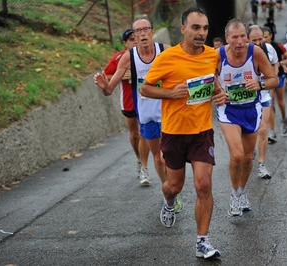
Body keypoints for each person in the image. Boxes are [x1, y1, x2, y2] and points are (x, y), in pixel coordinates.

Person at [140, 7, 227, 259]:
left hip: (201, 131)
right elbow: (146, 89)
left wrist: (220, 94)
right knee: (174, 186)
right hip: (174, 132)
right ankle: (168, 202)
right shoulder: (167, 58)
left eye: (205, 28)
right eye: (196, 28)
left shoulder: (212, 55)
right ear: (183, 29)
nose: (201, 33)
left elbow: (213, 82)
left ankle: (202, 242)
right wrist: (170, 93)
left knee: (204, 185)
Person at [94, 18, 184, 213]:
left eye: (146, 29)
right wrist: (104, 86)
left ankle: (174, 186)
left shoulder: (166, 51)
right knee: (158, 158)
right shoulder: (128, 58)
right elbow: (109, 90)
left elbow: (185, 70)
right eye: (138, 31)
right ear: (133, 36)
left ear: (152, 32)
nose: (143, 34)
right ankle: (168, 189)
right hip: (147, 116)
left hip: (169, 114)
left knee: (168, 155)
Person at [217, 19, 278, 216]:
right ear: (227, 39)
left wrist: (259, 85)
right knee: (236, 155)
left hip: (251, 109)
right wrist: (216, 94)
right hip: (228, 111)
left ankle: (242, 191)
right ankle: (234, 195)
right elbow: (207, 81)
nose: (240, 41)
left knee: (246, 157)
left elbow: (273, 79)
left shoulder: (256, 53)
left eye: (243, 36)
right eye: (235, 37)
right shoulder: (217, 56)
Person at [100, 29, 142, 178]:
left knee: (150, 133)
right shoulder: (119, 58)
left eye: (136, 38)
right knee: (135, 134)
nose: (135, 41)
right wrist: (122, 75)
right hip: (129, 101)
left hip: (149, 99)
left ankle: (150, 164)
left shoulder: (149, 54)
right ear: (125, 43)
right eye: (131, 39)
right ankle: (139, 160)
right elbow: (106, 75)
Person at [247, 25, 278, 179]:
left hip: (263, 94)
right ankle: (250, 148)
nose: (259, 42)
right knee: (249, 132)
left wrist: (272, 77)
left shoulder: (268, 49)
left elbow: (275, 64)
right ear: (246, 39)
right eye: (254, 40)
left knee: (262, 130)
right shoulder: (239, 52)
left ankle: (262, 165)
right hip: (246, 98)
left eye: (261, 39)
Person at [261, 26, 287, 136]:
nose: (264, 39)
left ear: (271, 36)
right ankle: (272, 131)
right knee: (269, 103)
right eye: (262, 37)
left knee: (280, 102)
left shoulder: (278, 46)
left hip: (279, 76)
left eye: (266, 37)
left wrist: (281, 64)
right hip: (267, 79)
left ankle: (284, 119)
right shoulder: (258, 48)